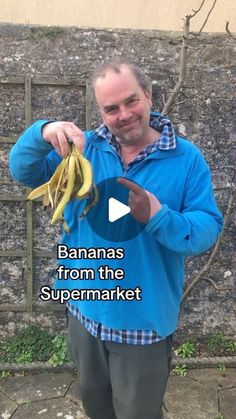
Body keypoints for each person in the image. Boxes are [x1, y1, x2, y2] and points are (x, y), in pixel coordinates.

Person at [9, 61, 223, 419]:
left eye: (131, 101)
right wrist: (43, 131)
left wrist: (158, 216)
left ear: (148, 95)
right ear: (101, 112)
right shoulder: (83, 151)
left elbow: (206, 229)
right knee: (96, 407)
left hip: (144, 322)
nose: (124, 115)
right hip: (84, 311)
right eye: (111, 108)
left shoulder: (187, 160)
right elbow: (24, 170)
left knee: (138, 413)